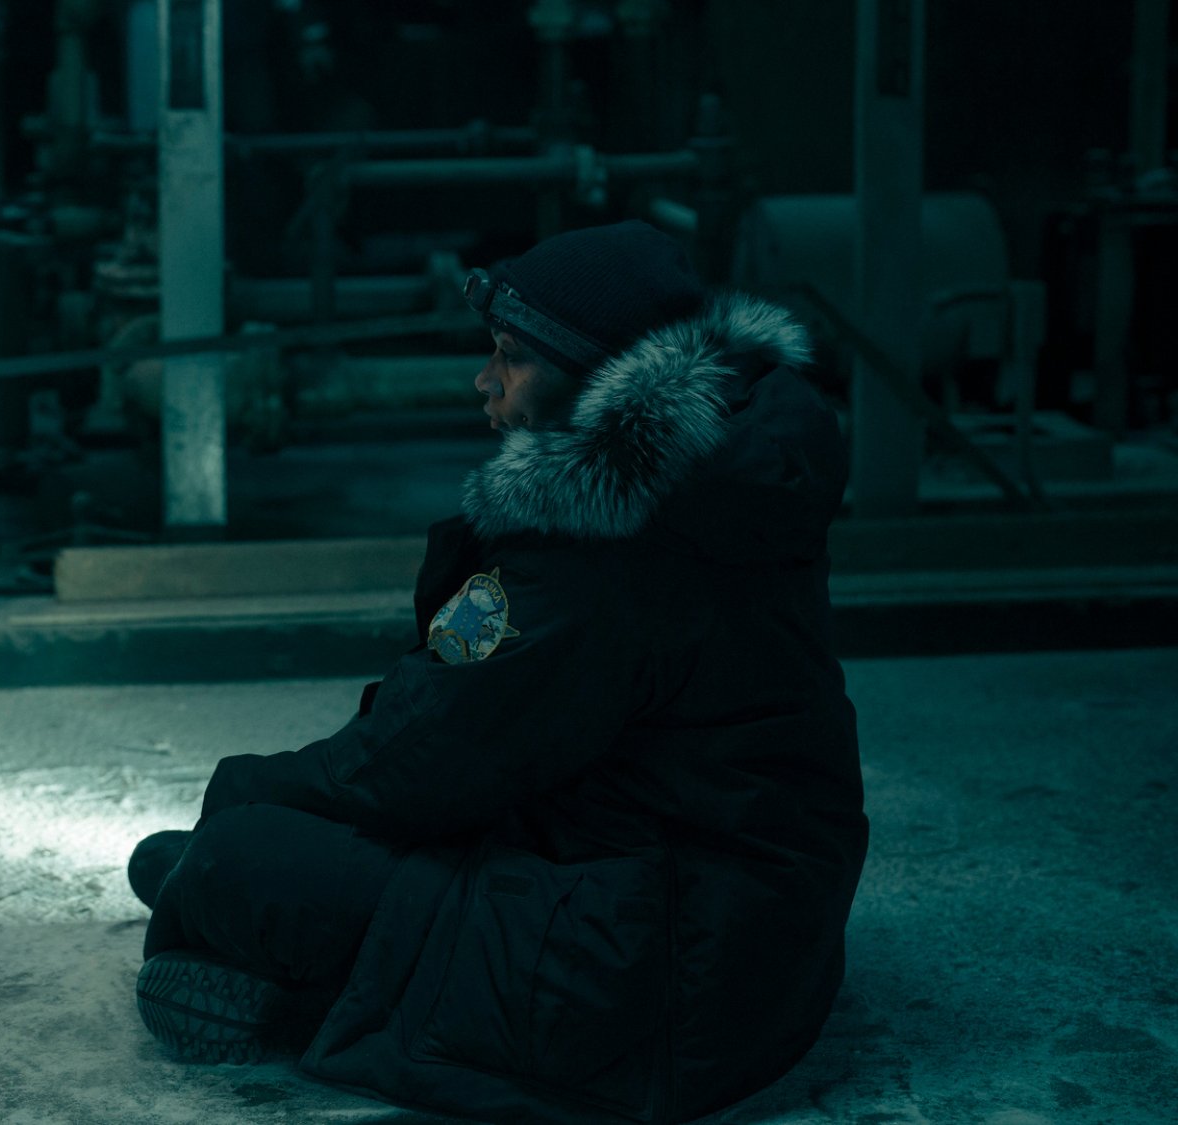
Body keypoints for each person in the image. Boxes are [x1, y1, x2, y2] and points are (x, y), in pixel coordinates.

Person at [126, 220, 870, 1123]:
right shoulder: (716, 474)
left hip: (658, 978)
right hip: (757, 927)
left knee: (231, 860)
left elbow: (422, 757)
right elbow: (473, 720)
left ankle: (311, 998)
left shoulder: (606, 546)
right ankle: (304, 961)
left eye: (512, 358)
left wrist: (242, 793)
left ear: (599, 383)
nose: (485, 380)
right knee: (220, 858)